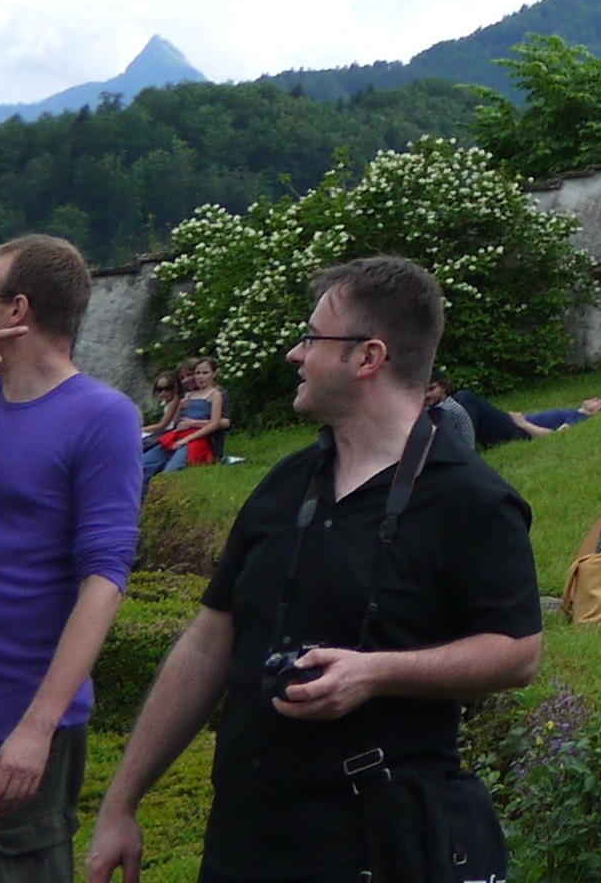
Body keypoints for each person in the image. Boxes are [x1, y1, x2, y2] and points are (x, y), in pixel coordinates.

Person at [86, 255, 539, 883]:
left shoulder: (473, 500)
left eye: (311, 338)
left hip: (381, 851)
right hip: (245, 846)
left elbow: (518, 653)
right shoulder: (283, 483)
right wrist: (120, 803)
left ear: (368, 357)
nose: (295, 355)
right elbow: (209, 642)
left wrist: (375, 673)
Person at [0, 236, 141, 883]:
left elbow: (105, 577)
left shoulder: (100, 417)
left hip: (10, 728)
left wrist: (38, 726)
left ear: (17, 310)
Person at [436, 389, 601, 450]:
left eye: (599, 402)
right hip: (514, 426)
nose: (595, 399)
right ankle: (449, 437)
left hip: (517, 431)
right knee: (460, 402)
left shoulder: (579, 417)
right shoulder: (574, 412)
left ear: (598, 412)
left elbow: (555, 435)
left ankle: (463, 447)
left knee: (465, 397)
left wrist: (522, 423)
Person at [141, 365, 225, 481]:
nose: (200, 377)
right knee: (143, 464)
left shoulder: (216, 395)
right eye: (198, 373)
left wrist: (192, 427)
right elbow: (175, 422)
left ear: (214, 374)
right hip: (177, 434)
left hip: (196, 438)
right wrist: (180, 408)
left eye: (205, 373)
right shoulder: (188, 395)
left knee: (171, 471)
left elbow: (215, 423)